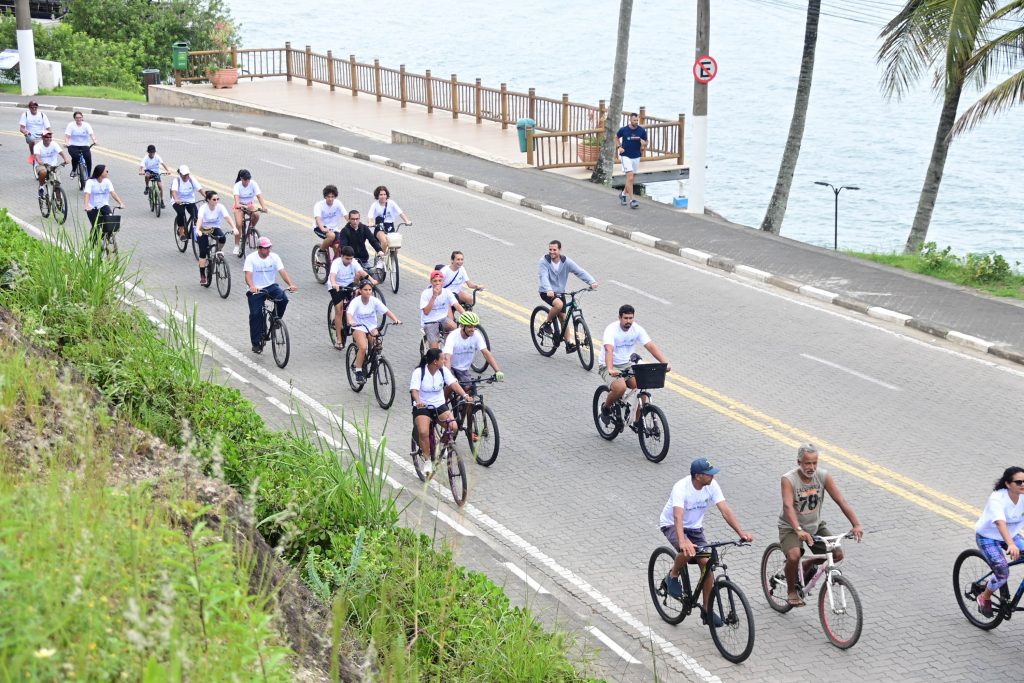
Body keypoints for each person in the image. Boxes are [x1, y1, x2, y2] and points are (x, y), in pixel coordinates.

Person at [659, 458, 754, 627]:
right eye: (709, 474)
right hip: (672, 525)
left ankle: (707, 610)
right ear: (697, 476)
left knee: (707, 565)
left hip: (695, 529)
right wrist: (683, 541)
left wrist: (741, 533)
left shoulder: (711, 486)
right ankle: (673, 575)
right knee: (688, 551)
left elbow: (725, 510)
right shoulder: (681, 488)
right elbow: (677, 516)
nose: (713, 476)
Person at [777, 444, 864, 607]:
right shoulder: (788, 480)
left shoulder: (823, 476)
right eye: (807, 463)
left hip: (814, 525)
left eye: (814, 463)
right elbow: (788, 506)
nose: (811, 467)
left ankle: (809, 563)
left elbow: (841, 500)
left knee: (837, 554)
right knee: (794, 556)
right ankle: (791, 591)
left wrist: (856, 524)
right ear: (799, 462)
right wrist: (798, 530)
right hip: (791, 527)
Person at [598, 304, 671, 422]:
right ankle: (606, 408)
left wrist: (665, 363)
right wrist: (610, 369)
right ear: (619, 318)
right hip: (608, 365)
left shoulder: (637, 329)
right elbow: (609, 350)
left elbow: (650, 346)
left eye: (630, 318)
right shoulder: (611, 330)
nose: (628, 321)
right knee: (620, 387)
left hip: (627, 365)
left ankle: (638, 422)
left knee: (643, 386)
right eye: (625, 318)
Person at [410, 348, 471, 476]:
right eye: (442, 358)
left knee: (453, 427)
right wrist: (418, 401)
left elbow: (454, 384)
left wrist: (465, 396)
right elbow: (414, 391)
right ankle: (427, 461)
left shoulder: (443, 371)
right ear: (435, 362)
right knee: (423, 432)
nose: (445, 360)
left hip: (439, 405)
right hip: (423, 407)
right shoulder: (419, 372)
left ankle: (439, 448)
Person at [974, 466, 1024, 618]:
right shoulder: (997, 498)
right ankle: (985, 596)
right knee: (1002, 572)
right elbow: (1000, 523)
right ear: (1008, 484)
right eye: (1019, 482)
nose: (1023, 484)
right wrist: (1011, 544)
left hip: (1012, 535)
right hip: (988, 537)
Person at [442, 310, 504, 423]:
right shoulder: (453, 336)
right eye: (469, 326)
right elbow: (447, 358)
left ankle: (469, 427)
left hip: (463, 370)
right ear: (462, 326)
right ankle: (441, 407)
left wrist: (497, 371)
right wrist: (449, 376)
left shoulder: (476, 335)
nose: (472, 329)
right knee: (451, 385)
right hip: (449, 366)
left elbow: (486, 352)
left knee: (470, 394)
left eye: (474, 326)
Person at [537, 240, 597, 353]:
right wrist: (549, 289)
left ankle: (569, 343)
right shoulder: (543, 262)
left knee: (563, 318)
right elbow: (543, 277)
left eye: (554, 250)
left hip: (560, 293)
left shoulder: (566, 262)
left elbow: (579, 271)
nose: (552, 252)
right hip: (546, 291)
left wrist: (591, 282)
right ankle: (547, 323)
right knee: (558, 304)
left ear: (559, 250)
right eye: (550, 249)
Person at [244, 236, 298, 353]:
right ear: (259, 248)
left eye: (269, 247)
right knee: (255, 314)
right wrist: (252, 287)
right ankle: (256, 342)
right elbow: (248, 275)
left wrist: (290, 284)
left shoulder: (274, 257)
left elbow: (282, 271)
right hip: (256, 289)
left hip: (270, 286)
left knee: (283, 299)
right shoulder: (251, 258)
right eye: (265, 248)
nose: (268, 250)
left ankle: (275, 319)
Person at [346, 279, 401, 382]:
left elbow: (386, 311)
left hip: (371, 327)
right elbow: (349, 313)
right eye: (365, 289)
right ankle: (358, 370)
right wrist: (350, 321)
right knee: (363, 347)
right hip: (359, 327)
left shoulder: (374, 301)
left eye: (370, 289)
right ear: (360, 291)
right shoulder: (356, 302)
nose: (368, 292)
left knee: (378, 346)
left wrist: (395, 320)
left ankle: (373, 359)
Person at [327, 246, 371, 349]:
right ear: (342, 256)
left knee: (357, 300)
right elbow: (332, 275)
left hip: (349, 284)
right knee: (339, 309)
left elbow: (362, 272)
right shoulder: (336, 263)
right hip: (337, 286)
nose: (349, 261)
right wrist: (334, 284)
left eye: (351, 258)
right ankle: (338, 339)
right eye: (347, 258)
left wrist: (371, 280)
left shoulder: (353, 262)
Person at [195, 190, 238, 286]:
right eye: (214, 199)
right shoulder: (203, 208)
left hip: (214, 228)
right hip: (203, 229)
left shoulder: (220, 207)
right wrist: (198, 230)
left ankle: (218, 251)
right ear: (208, 200)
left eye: (218, 199)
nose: (216, 201)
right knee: (203, 252)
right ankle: (202, 275)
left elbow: (227, 217)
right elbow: (200, 219)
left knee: (222, 238)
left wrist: (234, 227)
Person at [421, 269, 465, 350]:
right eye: (435, 281)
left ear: (443, 282)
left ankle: (448, 346)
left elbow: (457, 305)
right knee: (435, 351)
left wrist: (466, 315)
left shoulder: (447, 292)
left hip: (443, 318)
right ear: (431, 282)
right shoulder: (426, 293)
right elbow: (426, 312)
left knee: (455, 328)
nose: (437, 283)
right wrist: (434, 296)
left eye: (439, 281)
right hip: (430, 321)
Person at [83, 165, 124, 241]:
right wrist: (86, 206)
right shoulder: (90, 182)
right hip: (92, 207)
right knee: (96, 226)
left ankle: (107, 238)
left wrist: (120, 203)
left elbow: (113, 193)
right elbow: (87, 194)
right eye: (106, 171)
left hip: (104, 205)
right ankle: (93, 245)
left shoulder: (107, 181)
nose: (107, 172)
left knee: (111, 221)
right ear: (100, 172)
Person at [232, 169, 267, 256]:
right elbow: (236, 202)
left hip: (249, 205)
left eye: (248, 180)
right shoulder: (237, 186)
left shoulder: (253, 183)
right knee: (239, 225)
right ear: (241, 179)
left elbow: (259, 196)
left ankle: (250, 230)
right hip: (239, 206)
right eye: (245, 180)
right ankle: (236, 245)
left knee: (257, 215)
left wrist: (264, 207)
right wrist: (243, 206)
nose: (247, 182)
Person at [367, 185, 411, 254]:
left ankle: (393, 262)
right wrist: (370, 223)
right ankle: (381, 260)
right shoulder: (375, 205)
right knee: (384, 241)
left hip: (390, 226)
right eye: (381, 195)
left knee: (395, 245)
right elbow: (370, 216)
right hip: (379, 226)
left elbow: (400, 212)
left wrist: (406, 221)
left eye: (384, 194)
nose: (383, 196)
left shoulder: (391, 203)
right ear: (377, 196)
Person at [616, 112, 647, 209]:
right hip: (625, 156)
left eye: (637, 120)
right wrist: (619, 147)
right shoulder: (624, 130)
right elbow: (616, 137)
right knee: (630, 178)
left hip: (636, 156)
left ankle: (623, 194)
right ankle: (632, 200)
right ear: (630, 120)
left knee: (632, 179)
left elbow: (646, 142)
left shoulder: (641, 131)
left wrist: (644, 144)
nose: (636, 122)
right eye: (634, 120)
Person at [32, 132, 69, 198]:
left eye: (50, 137)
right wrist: (40, 161)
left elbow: (61, 152)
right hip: (42, 165)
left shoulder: (54, 144)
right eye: (47, 137)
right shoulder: (37, 146)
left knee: (57, 182)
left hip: (52, 166)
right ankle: (41, 187)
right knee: (43, 172)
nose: (49, 138)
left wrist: (65, 159)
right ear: (42, 138)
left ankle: (59, 201)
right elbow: (37, 156)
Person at [171, 165, 203, 240]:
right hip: (178, 201)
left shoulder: (191, 180)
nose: (186, 177)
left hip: (190, 201)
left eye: (187, 175)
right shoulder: (177, 180)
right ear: (180, 174)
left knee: (197, 216)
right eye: (184, 175)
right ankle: (181, 233)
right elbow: (174, 191)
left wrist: (207, 197)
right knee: (181, 213)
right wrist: (176, 199)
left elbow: (200, 189)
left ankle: (193, 232)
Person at [313, 185, 346, 257]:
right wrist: (322, 228)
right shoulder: (319, 205)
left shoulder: (338, 203)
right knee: (331, 236)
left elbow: (346, 215)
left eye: (332, 197)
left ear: (335, 197)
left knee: (338, 247)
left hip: (334, 229)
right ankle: (321, 252)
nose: (330, 199)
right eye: (328, 196)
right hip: (319, 227)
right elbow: (318, 219)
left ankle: (333, 264)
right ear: (325, 197)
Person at [64, 111, 97, 179]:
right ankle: (73, 170)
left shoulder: (86, 125)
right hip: (73, 145)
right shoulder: (71, 125)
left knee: (88, 159)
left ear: (82, 118)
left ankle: (89, 175)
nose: (78, 119)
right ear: (74, 118)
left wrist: (94, 140)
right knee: (76, 157)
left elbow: (91, 134)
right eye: (77, 118)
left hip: (84, 145)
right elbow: (67, 136)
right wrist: (67, 143)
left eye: (80, 117)